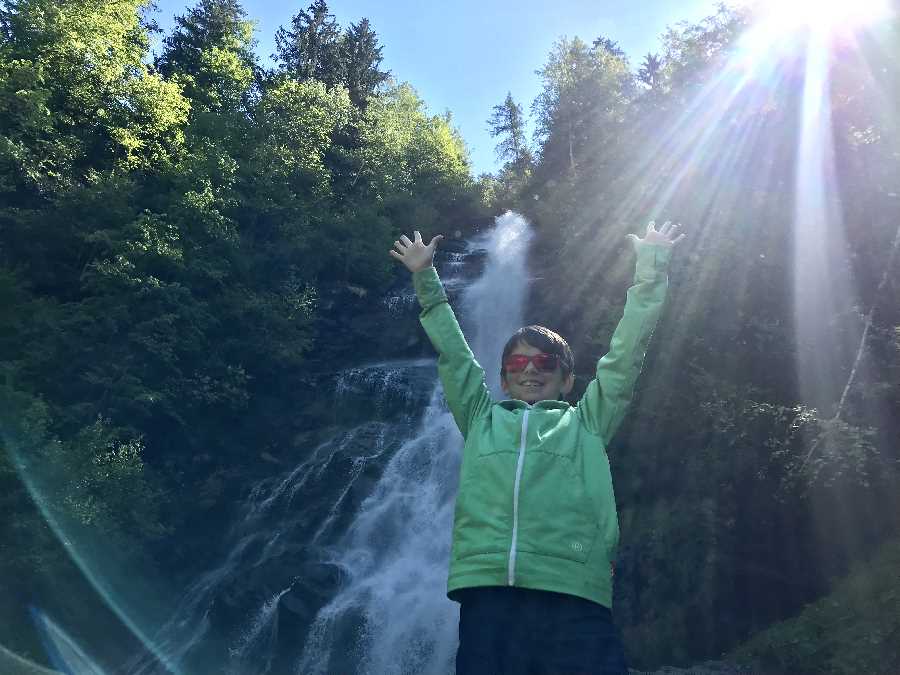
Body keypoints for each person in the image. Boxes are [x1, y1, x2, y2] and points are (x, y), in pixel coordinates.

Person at [389, 221, 685, 675]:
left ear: (567, 379)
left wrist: (651, 269)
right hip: (489, 593)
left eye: (545, 362)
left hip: (573, 591)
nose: (531, 370)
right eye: (518, 363)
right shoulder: (481, 419)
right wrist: (425, 278)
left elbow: (627, 353)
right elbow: (455, 355)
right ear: (503, 379)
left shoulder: (587, 422)